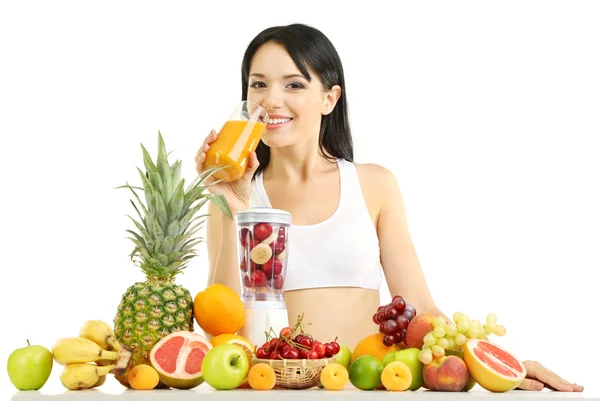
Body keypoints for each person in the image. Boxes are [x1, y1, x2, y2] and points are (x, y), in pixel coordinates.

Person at [195, 23, 583, 392]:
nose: (271, 99)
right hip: (270, 391)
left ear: (329, 98)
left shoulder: (373, 185)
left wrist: (499, 363)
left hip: (367, 387)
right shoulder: (233, 194)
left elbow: (421, 309)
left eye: (294, 84)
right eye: (258, 84)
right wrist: (234, 203)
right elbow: (221, 323)